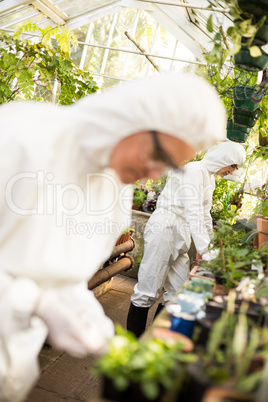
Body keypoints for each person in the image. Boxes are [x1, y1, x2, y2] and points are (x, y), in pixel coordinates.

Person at [0, 72, 226, 401]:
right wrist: (35, 302)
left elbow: (64, 277)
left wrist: (101, 331)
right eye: (157, 157)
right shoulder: (23, 138)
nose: (154, 175)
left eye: (169, 167)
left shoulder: (114, 191)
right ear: (133, 119)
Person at [127, 141, 246, 337]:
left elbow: (205, 216)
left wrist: (213, 248)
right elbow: (193, 213)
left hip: (182, 232)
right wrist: (208, 253)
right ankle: (132, 345)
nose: (232, 171)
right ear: (224, 158)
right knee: (148, 290)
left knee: (175, 295)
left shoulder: (209, 178)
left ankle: (154, 343)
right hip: (166, 226)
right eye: (233, 165)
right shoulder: (193, 170)